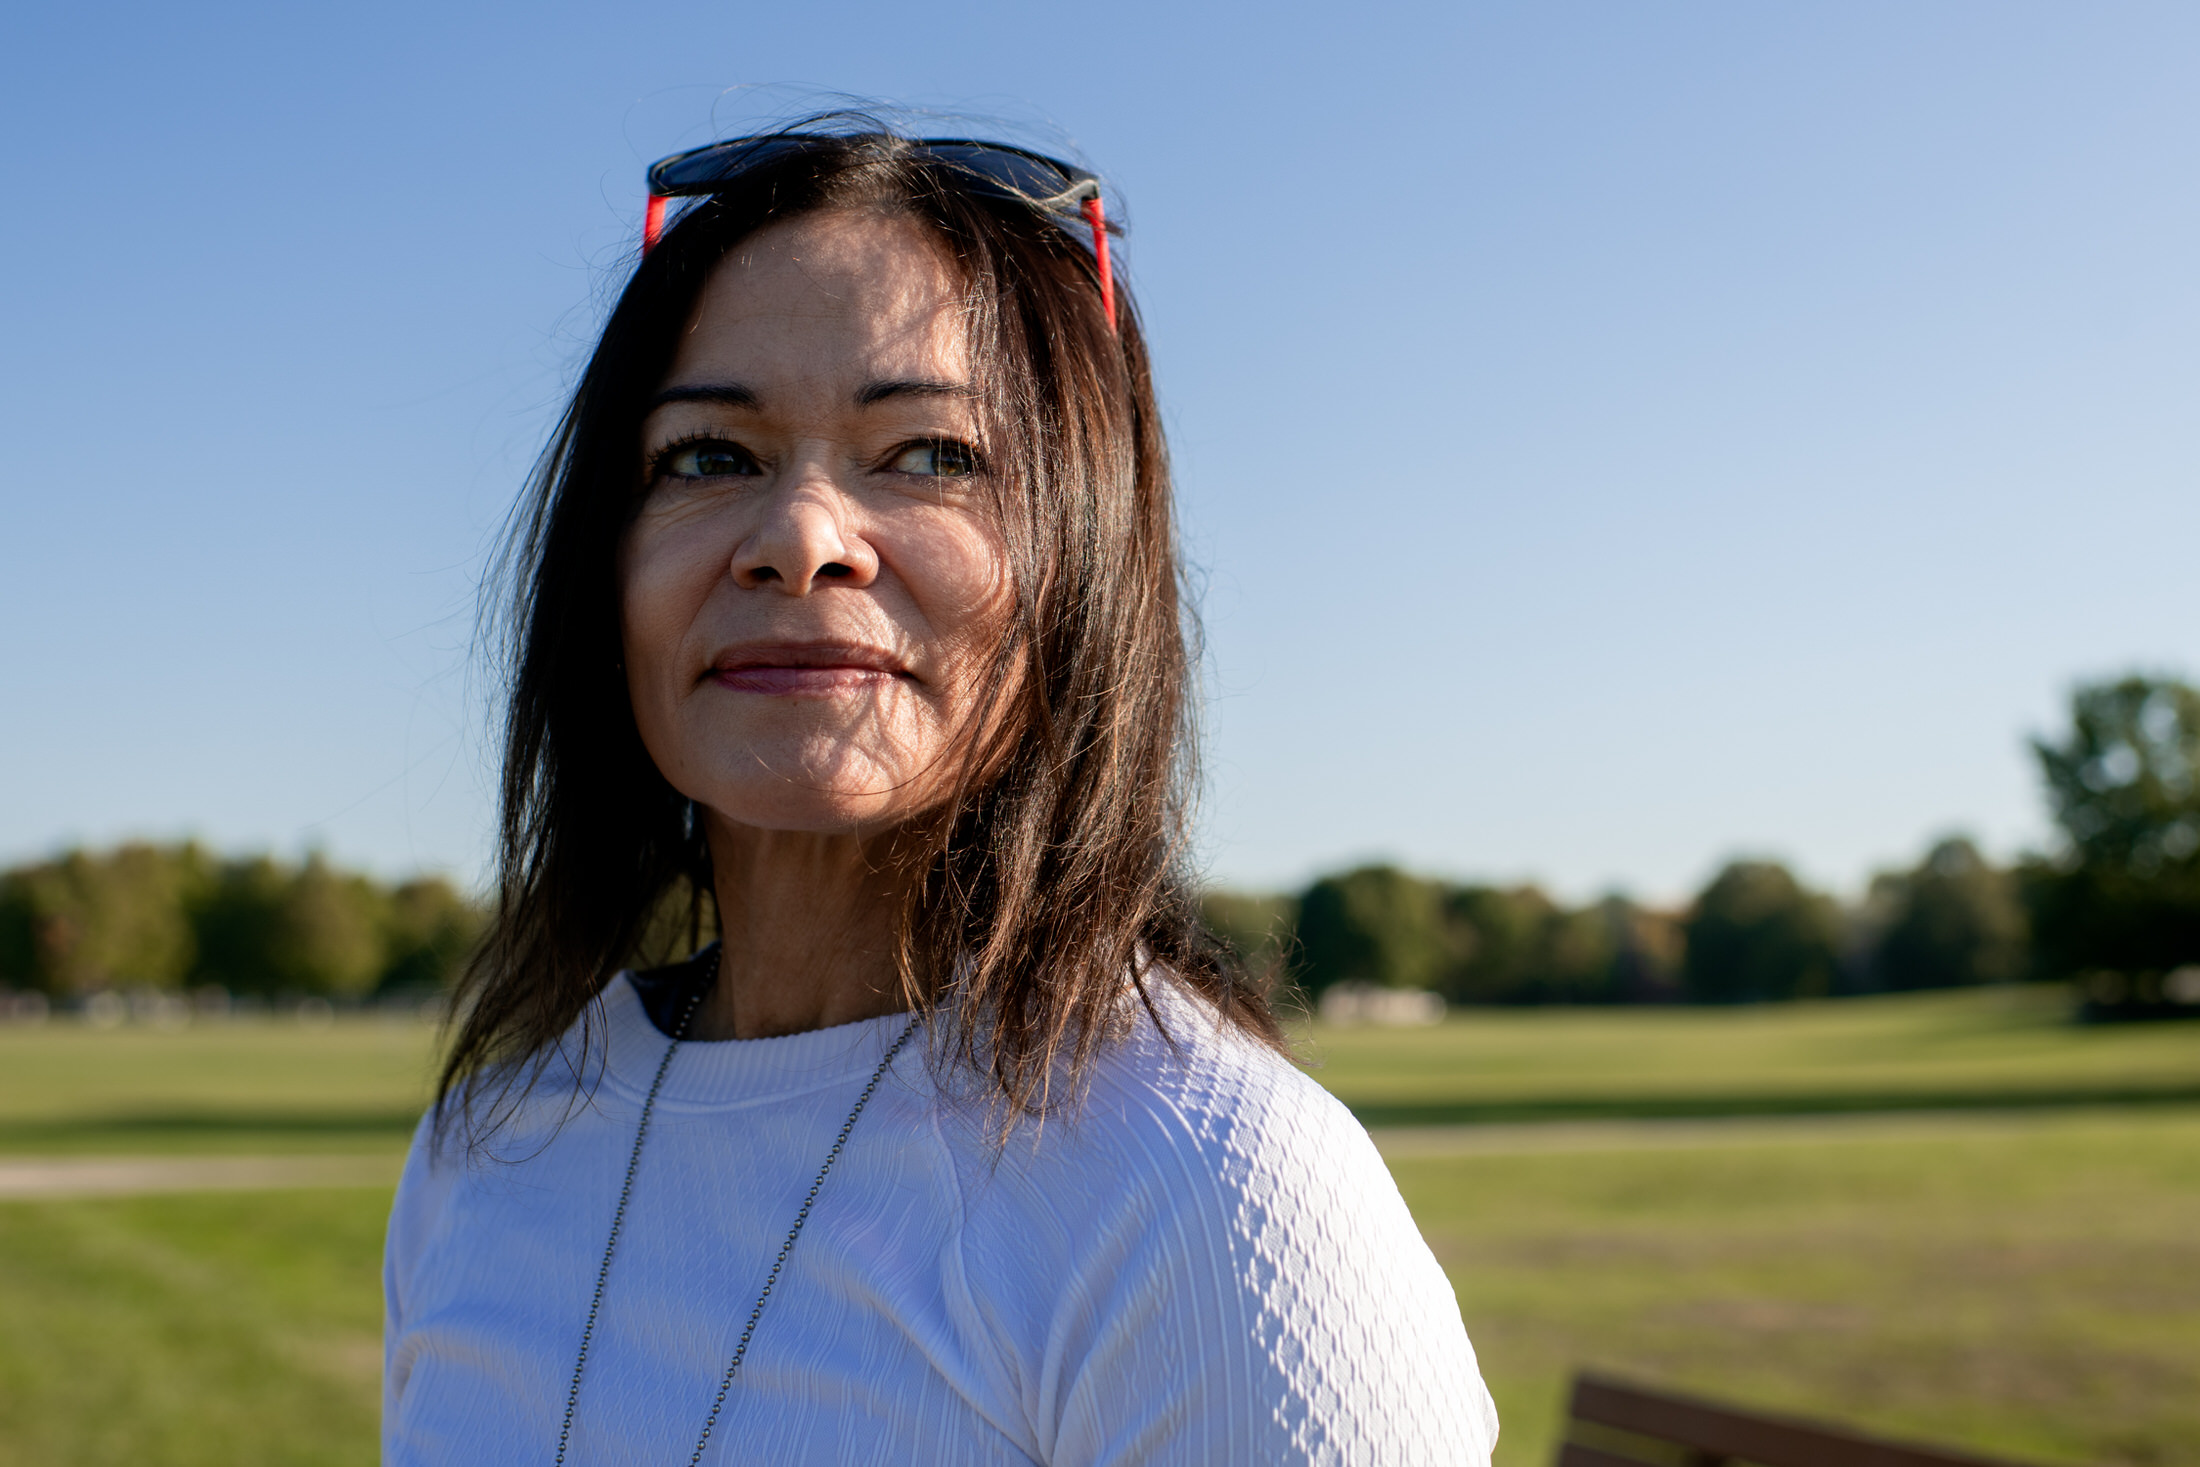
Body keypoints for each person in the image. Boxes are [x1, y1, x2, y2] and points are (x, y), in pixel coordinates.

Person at [381, 122, 1499, 1466]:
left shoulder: (1209, 1194)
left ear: (1085, 562)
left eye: (928, 454)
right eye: (707, 456)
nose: (799, 538)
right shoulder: (485, 1151)